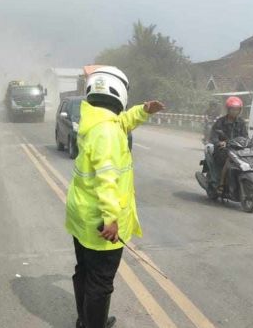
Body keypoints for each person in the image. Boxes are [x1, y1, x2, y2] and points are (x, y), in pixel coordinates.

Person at [65, 66, 164, 328]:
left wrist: (143, 111)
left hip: (83, 217)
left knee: (84, 272)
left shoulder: (96, 121)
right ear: (118, 90)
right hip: (101, 223)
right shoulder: (107, 133)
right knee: (100, 283)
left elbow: (122, 122)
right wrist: (111, 218)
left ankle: (86, 320)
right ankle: (93, 323)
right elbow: (106, 179)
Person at [209, 96, 247, 192]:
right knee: (229, 159)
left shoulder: (241, 122)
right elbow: (213, 136)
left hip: (237, 149)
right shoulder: (220, 122)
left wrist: (251, 142)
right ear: (228, 109)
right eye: (233, 109)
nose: (235, 112)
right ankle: (221, 184)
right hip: (223, 150)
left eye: (237, 109)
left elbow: (245, 136)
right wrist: (219, 142)